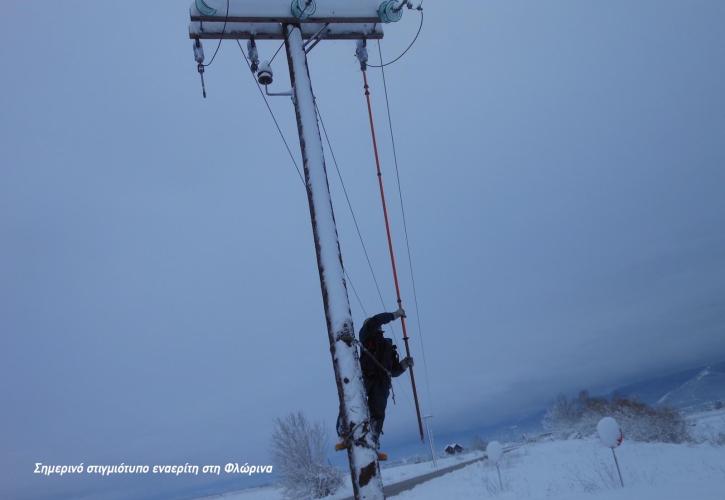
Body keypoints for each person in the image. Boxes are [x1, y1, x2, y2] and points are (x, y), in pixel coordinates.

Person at [336, 307, 413, 460]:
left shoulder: (388, 346)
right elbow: (376, 319)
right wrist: (394, 315)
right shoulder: (366, 334)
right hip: (367, 376)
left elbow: (394, 370)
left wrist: (404, 364)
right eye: (373, 323)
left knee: (378, 414)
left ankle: (372, 442)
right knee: (353, 401)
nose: (375, 325)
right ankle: (345, 432)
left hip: (382, 382)